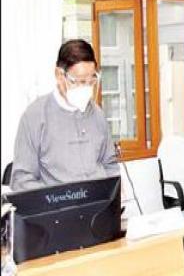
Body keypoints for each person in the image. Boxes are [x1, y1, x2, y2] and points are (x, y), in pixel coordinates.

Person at [10, 39, 119, 191]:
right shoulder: (35, 117)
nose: (87, 88)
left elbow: (110, 166)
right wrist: (53, 199)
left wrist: (114, 195)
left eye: (91, 81)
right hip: (57, 204)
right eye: (80, 81)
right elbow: (21, 180)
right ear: (59, 75)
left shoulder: (98, 115)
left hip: (98, 203)